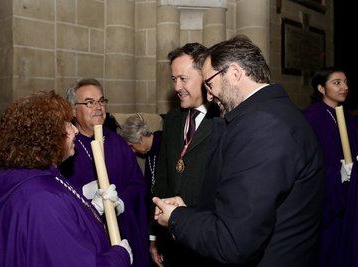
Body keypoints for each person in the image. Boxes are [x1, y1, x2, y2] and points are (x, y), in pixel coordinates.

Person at [153, 35, 325, 267]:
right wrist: (189, 213)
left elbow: (232, 242)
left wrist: (177, 218)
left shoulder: (264, 127)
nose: (210, 95)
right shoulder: (271, 113)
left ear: (234, 73)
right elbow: (237, 208)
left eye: (210, 83)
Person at [0, 91, 132, 266]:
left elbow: (54, 237)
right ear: (47, 136)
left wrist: (90, 208)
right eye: (68, 125)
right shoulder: (43, 200)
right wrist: (119, 256)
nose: (76, 130)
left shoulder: (26, 174)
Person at [60, 78, 149, 267]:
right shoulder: (65, 147)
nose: (98, 107)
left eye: (101, 101)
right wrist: (85, 198)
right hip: (88, 241)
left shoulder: (117, 142)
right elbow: (57, 197)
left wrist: (120, 201)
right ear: (73, 110)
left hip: (124, 231)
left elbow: (139, 185)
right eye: (90, 102)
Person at [151, 42, 219, 266]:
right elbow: (162, 180)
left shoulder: (223, 121)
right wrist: (155, 236)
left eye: (183, 78)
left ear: (204, 77)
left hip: (207, 242)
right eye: (173, 79)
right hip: (172, 241)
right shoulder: (171, 120)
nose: (177, 86)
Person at [303, 68, 358, 267]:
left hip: (350, 197)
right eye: (337, 83)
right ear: (321, 88)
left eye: (345, 82)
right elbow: (308, 162)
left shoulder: (350, 119)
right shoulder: (310, 118)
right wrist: (338, 174)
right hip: (328, 200)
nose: (345, 87)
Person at [119, 113, 163, 193]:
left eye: (131, 146)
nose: (133, 151)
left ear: (141, 139)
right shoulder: (149, 151)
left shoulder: (165, 143)